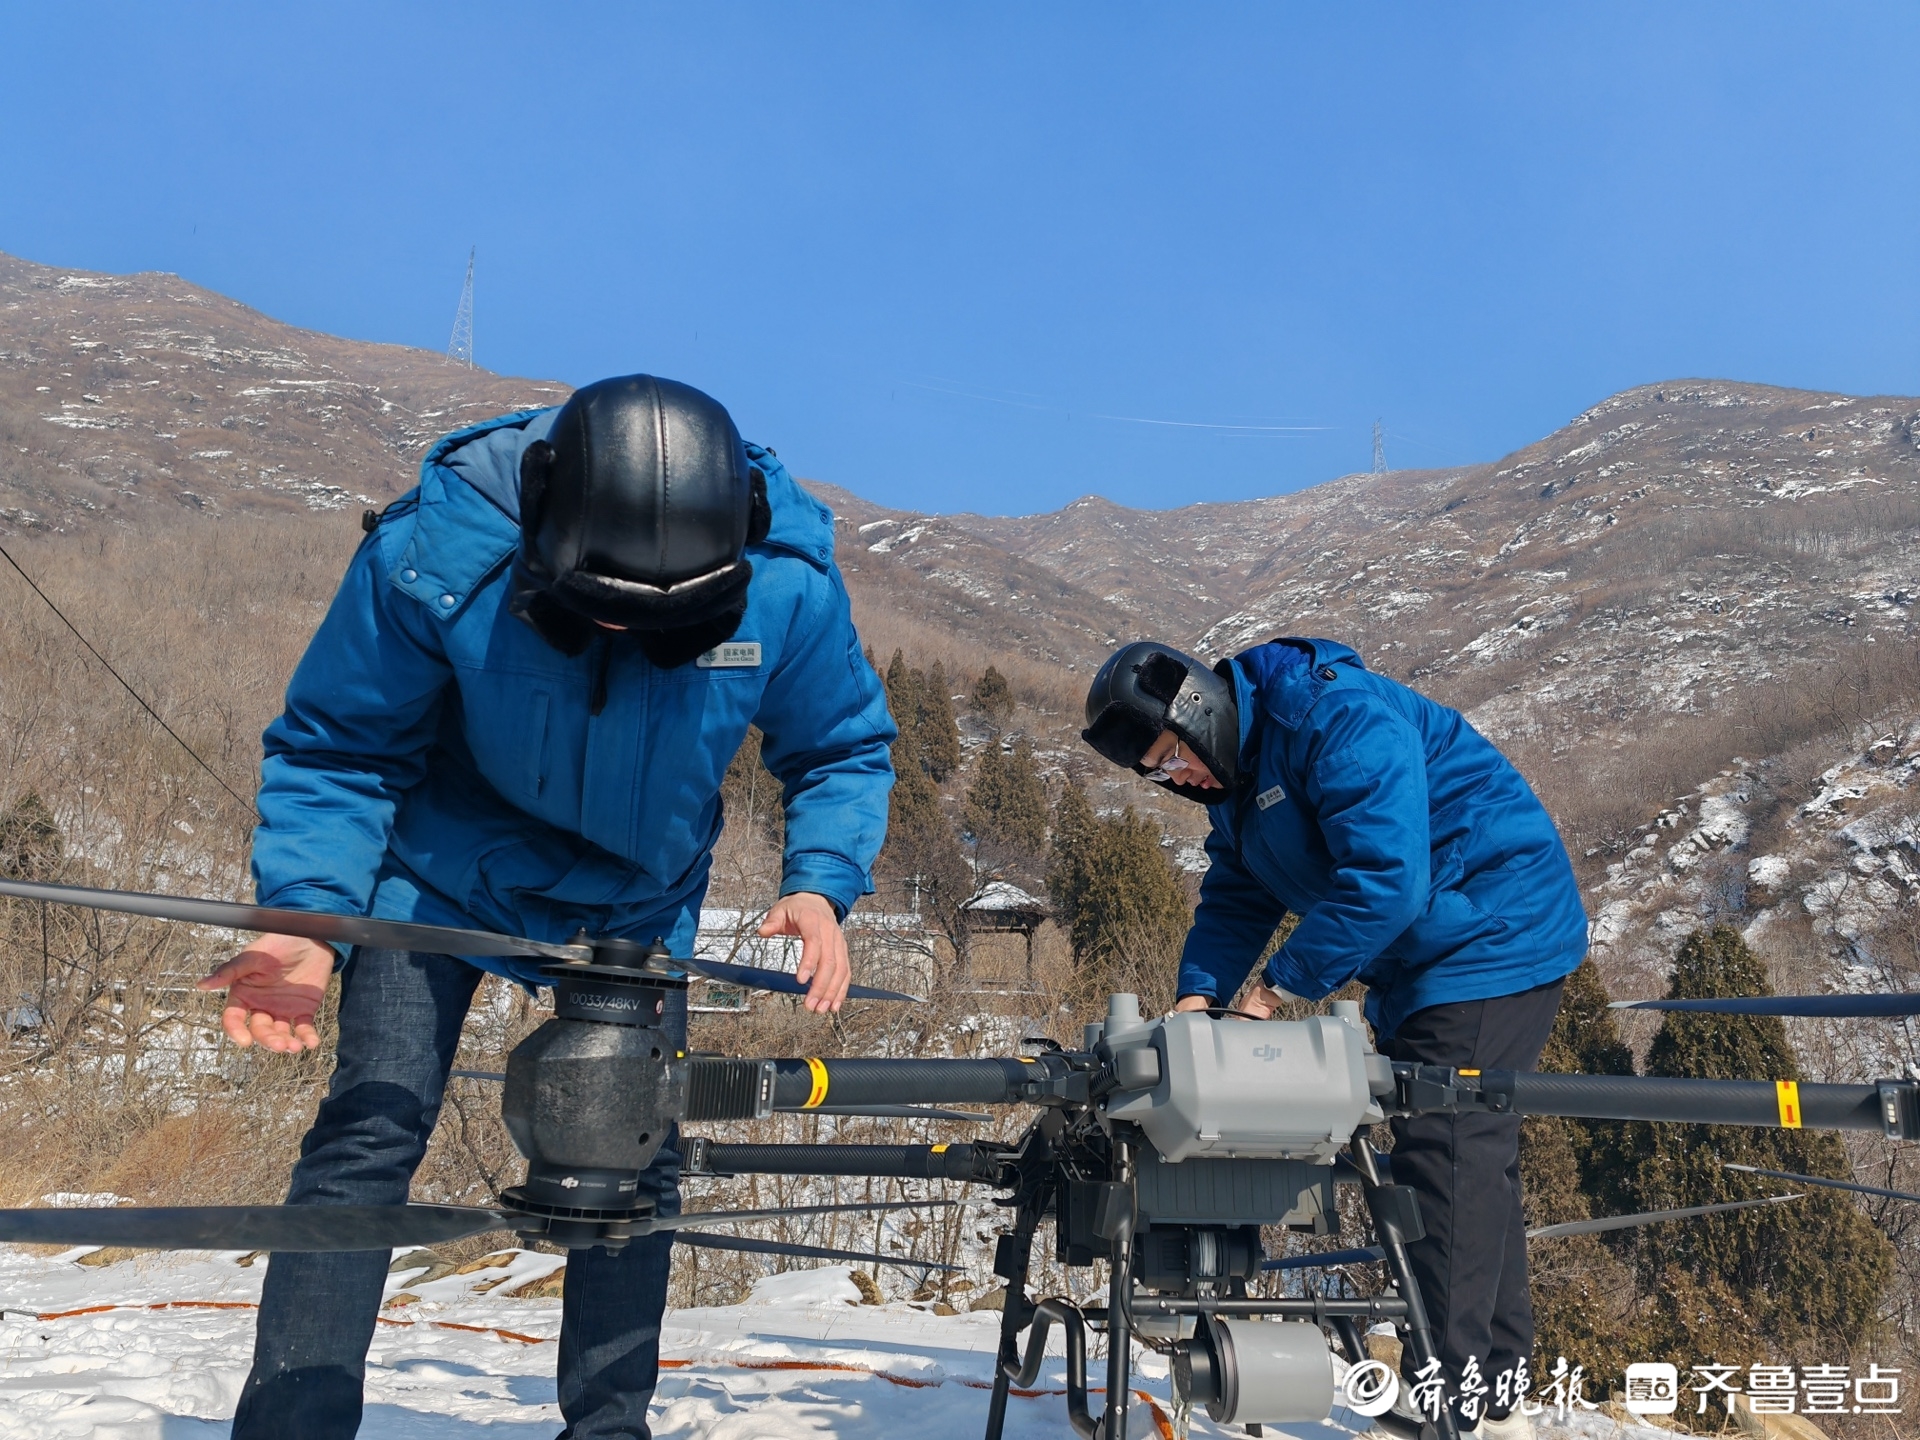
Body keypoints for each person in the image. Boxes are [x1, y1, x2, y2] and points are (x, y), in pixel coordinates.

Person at [198, 374, 896, 1440]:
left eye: (669, 623)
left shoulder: (788, 587)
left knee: (632, 1155)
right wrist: (309, 917)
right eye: (606, 610)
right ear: (545, 525)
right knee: (371, 1128)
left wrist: (819, 882)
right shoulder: (435, 560)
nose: (631, 633)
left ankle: (608, 1429)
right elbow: (340, 748)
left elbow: (842, 747)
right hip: (440, 875)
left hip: (638, 898)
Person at [1080, 637, 1588, 1439]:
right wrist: (1196, 998)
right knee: (1468, 1156)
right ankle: (1492, 1388)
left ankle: (1452, 1399)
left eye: (1174, 756)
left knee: (1447, 1151)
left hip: (1493, 927)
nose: (1177, 778)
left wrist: (1271, 992)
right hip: (1425, 957)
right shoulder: (1238, 780)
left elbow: (1388, 878)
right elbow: (1238, 892)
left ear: (1199, 711)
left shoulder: (1330, 715)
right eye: (1158, 774)